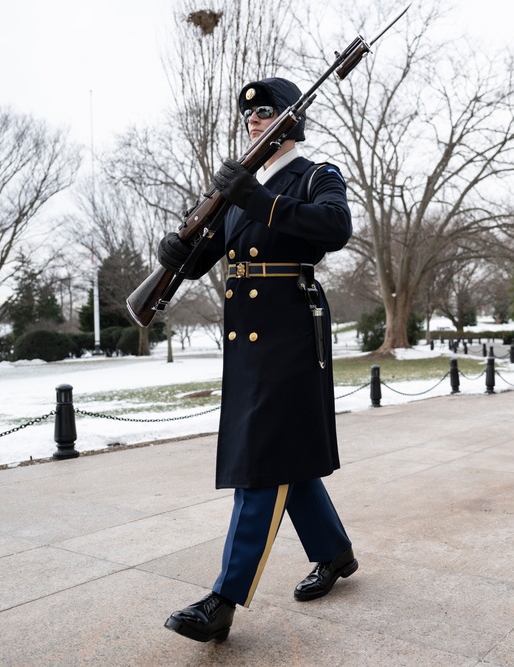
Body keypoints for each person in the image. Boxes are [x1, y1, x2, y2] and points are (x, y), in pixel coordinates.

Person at [156, 77, 357, 643]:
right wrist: (177, 254)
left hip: (290, 336)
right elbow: (205, 256)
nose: (253, 121)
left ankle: (223, 599)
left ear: (289, 121)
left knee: (261, 467)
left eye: (265, 112)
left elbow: (335, 228)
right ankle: (335, 553)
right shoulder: (242, 187)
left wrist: (258, 200)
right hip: (246, 343)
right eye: (248, 115)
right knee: (282, 457)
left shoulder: (316, 175)